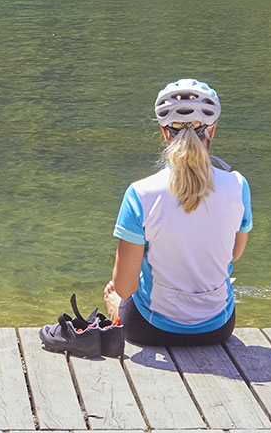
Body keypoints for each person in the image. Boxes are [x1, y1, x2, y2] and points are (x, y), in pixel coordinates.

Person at [102, 79, 251, 346]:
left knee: (115, 292)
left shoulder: (140, 194)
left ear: (164, 132)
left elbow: (125, 287)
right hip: (218, 328)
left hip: (150, 329)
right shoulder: (238, 186)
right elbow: (234, 255)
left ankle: (116, 313)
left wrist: (116, 300)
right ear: (212, 130)